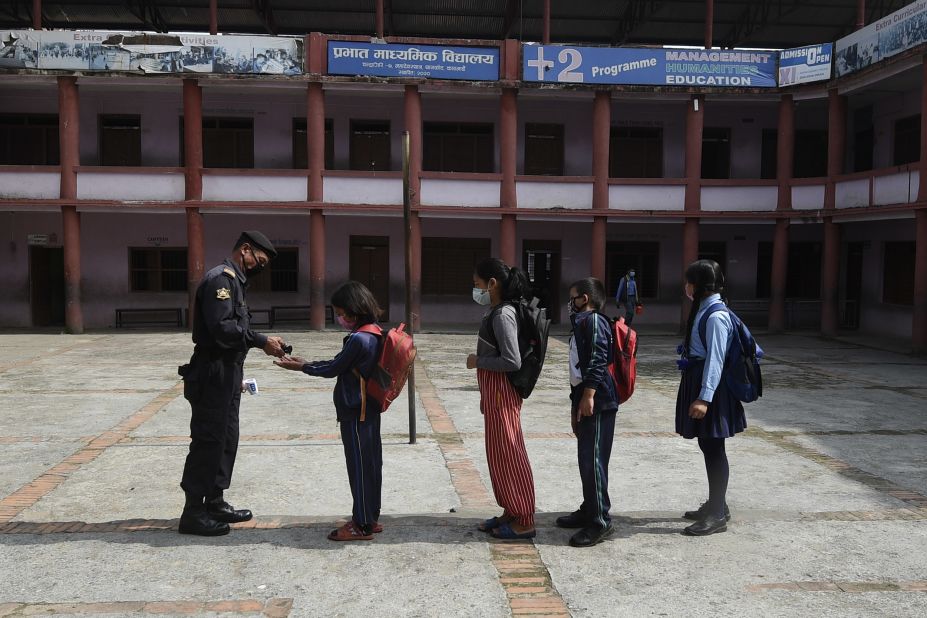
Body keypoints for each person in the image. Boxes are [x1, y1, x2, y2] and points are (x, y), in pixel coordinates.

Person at [178, 231, 287, 536]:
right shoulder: (220, 280)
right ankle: (193, 512)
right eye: (259, 261)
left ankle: (215, 500)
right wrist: (260, 340)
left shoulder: (236, 282)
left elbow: (236, 329)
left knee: (227, 439)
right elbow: (222, 329)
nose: (259, 267)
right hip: (212, 372)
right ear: (246, 250)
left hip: (228, 372)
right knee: (208, 440)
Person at [275, 281, 385, 541]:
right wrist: (309, 363)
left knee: (358, 467)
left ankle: (361, 525)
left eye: (341, 312)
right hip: (369, 408)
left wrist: (302, 368)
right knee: (371, 465)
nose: (339, 318)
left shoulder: (359, 339)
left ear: (353, 311)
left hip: (355, 410)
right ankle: (370, 517)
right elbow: (340, 363)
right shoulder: (375, 332)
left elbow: (333, 368)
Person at [467, 258, 537, 540]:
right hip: (493, 394)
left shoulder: (503, 315)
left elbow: (512, 360)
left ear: (492, 284)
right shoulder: (496, 311)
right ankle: (511, 509)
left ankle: (525, 518)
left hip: (502, 393)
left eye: (477, 285)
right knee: (498, 457)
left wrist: (478, 361)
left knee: (511, 454)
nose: (476, 290)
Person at [676, 259, 746, 536]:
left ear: (698, 286)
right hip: (700, 380)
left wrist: (704, 398)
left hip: (711, 388)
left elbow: (715, 360)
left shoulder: (716, 316)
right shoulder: (705, 309)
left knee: (714, 447)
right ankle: (718, 504)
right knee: (709, 446)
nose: (686, 287)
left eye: (689, 282)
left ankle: (717, 514)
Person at [555, 277, 619, 547]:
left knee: (593, 461)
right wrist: (576, 402)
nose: (570, 303)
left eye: (573, 297)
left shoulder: (594, 322)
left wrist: (589, 395)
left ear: (585, 298)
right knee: (586, 460)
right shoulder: (581, 323)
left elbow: (598, 358)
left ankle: (600, 521)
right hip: (584, 397)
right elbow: (577, 369)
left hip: (599, 400)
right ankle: (589, 508)